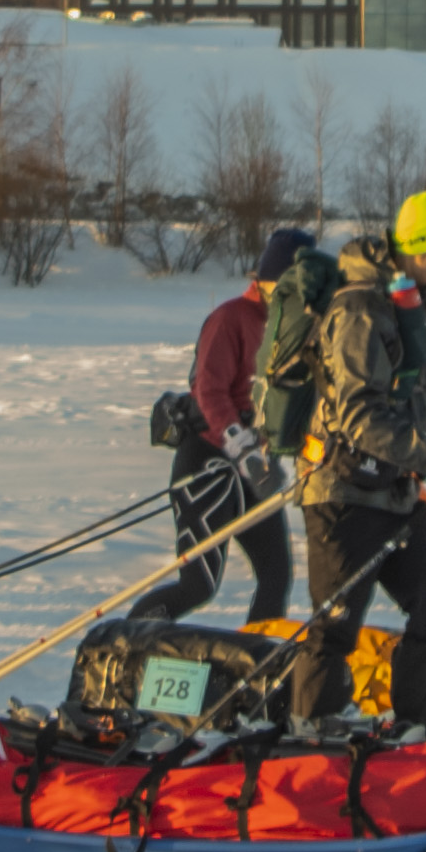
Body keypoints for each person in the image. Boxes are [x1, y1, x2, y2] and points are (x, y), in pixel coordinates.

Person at [291, 192, 426, 740]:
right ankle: (313, 734)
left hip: (396, 494)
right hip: (343, 491)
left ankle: (414, 730)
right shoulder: (360, 309)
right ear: (421, 252)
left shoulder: (408, 306)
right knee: (335, 627)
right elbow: (358, 419)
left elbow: (405, 410)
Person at [137, 221, 315, 625]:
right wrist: (240, 446)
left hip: (258, 469)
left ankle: (254, 669)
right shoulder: (230, 319)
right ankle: (126, 647)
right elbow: (209, 391)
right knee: (198, 585)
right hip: (209, 462)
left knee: (276, 577)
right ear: (266, 281)